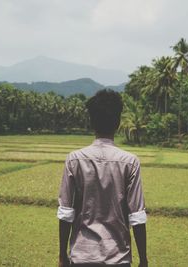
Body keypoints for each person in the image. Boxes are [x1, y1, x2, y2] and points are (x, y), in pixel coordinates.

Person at [57, 89, 148, 267]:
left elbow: (66, 213)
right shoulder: (130, 162)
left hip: (82, 256)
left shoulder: (74, 159)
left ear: (91, 121)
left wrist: (62, 256)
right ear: (118, 122)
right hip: (118, 258)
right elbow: (137, 216)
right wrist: (143, 259)